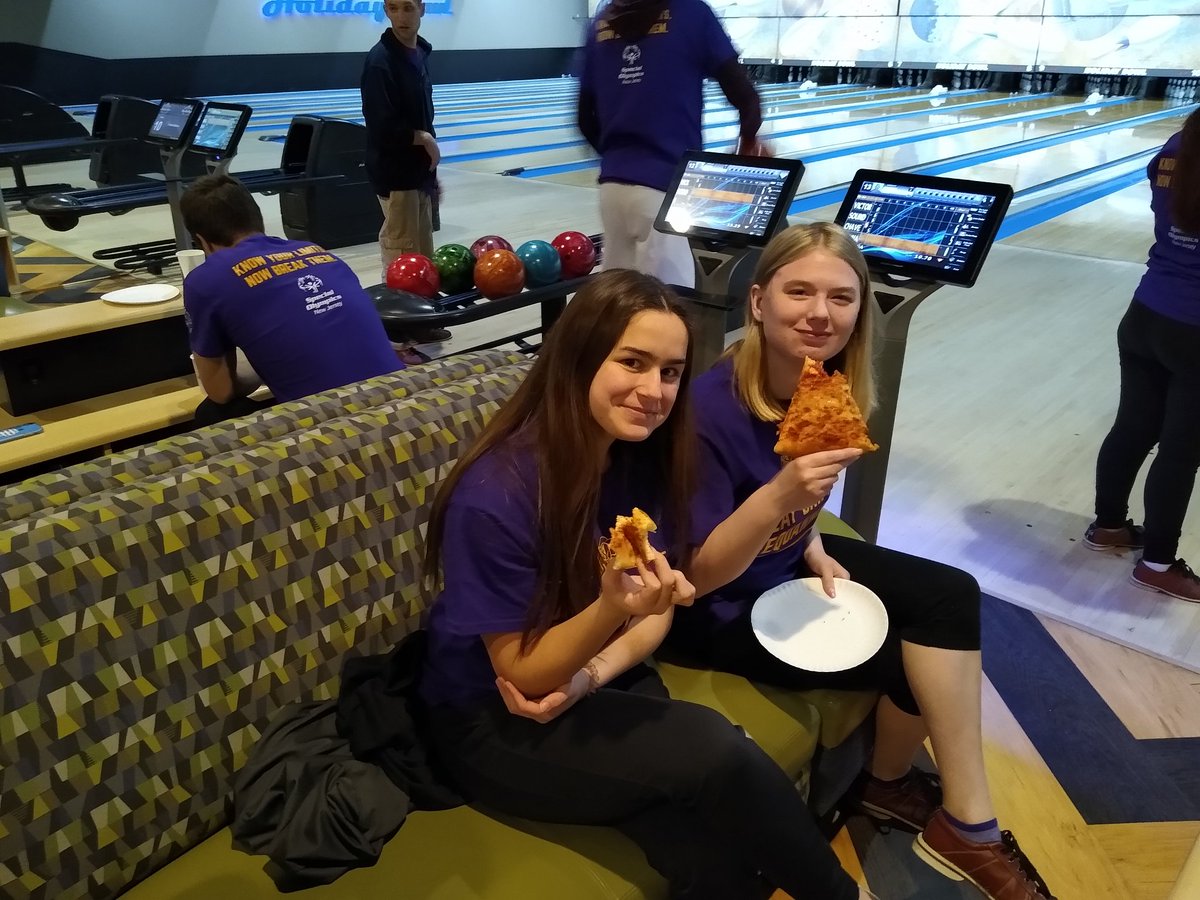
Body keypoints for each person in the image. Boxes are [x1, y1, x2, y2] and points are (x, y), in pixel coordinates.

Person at [418, 269, 874, 900]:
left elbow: (656, 613)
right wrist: (611, 611)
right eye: (632, 362)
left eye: (670, 371)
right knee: (717, 749)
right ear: (579, 357)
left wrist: (593, 672)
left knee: (721, 858)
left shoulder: (638, 459)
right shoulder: (498, 495)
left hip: (595, 676)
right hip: (490, 719)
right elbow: (524, 677)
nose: (653, 390)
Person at [667, 223, 1055, 900]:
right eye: (800, 291)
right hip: (716, 607)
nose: (821, 312)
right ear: (757, 302)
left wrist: (809, 540)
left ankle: (928, 803)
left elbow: (801, 509)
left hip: (783, 564)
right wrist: (780, 497)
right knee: (914, 650)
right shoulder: (710, 409)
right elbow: (696, 578)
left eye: (841, 297)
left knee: (949, 596)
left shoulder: (827, 385)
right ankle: (961, 824)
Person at [180, 174, 403, 426]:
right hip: (403, 399)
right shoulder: (316, 252)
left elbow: (220, 392)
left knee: (212, 412)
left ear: (201, 240)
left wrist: (262, 370)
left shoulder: (205, 280)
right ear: (258, 218)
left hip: (342, 429)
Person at [1086, 108, 1200, 603]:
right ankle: (1157, 564)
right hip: (1195, 331)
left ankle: (1109, 526)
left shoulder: (1177, 146)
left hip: (1145, 314)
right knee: (1181, 450)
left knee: (1134, 427)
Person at [577, 0, 765, 288]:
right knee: (670, 308)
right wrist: (748, 143)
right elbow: (746, 98)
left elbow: (583, 119)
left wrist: (623, 158)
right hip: (667, 189)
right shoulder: (691, 12)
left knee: (617, 308)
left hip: (612, 192)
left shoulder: (601, 21)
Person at [361, 0, 450, 343]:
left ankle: (420, 321)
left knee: (421, 254)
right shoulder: (380, 62)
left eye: (408, 8)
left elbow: (423, 116)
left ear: (422, 9)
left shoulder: (419, 54)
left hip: (417, 175)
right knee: (402, 253)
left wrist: (431, 175)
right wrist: (423, 138)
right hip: (396, 174)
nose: (401, 16)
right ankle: (397, 331)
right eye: (394, 8)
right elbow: (381, 126)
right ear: (386, 9)